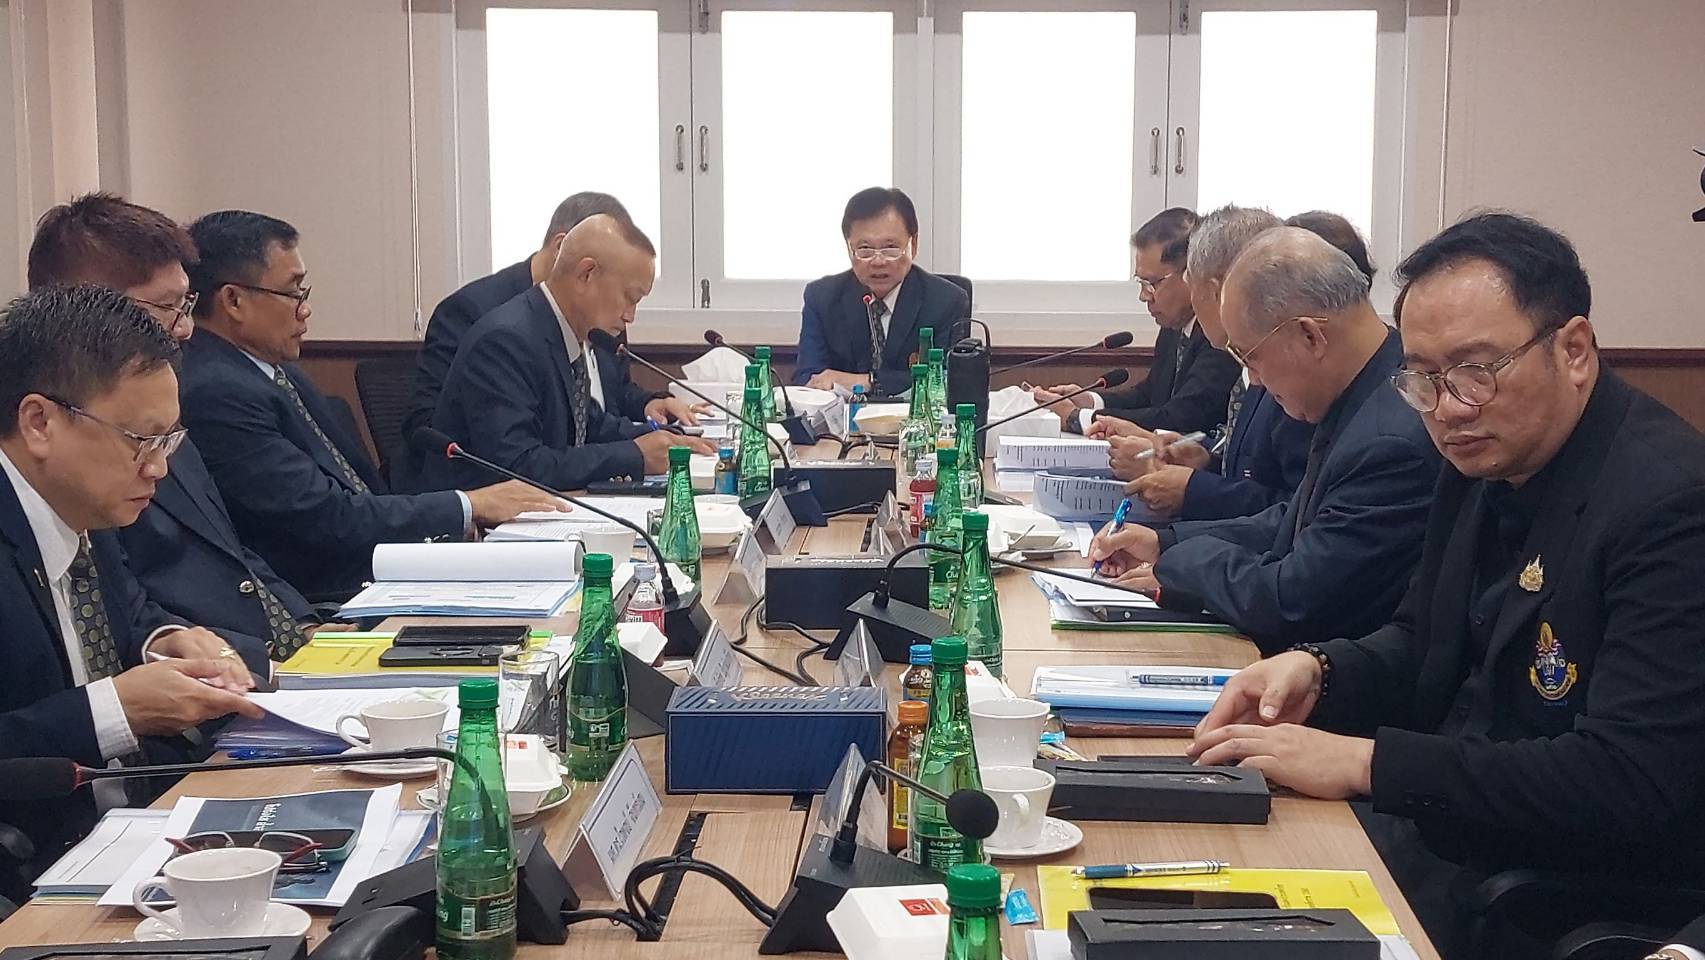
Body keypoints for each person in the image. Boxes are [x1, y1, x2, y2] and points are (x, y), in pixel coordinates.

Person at [1190, 214, 1705, 958]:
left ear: (1573, 350)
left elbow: (1621, 777)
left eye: (1476, 370)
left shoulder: (1668, 505)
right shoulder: (1480, 461)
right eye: (1422, 378)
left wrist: (1366, 763)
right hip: (1442, 829)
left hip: (1547, 885)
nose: (1447, 407)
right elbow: (1421, 641)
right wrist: (1319, 669)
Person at [0, 285, 267, 885]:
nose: (158, 467)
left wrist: (163, 641)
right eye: (140, 440)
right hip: (34, 866)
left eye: (168, 440)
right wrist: (114, 710)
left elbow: (116, 615)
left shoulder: (87, 503)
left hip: (138, 827)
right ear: (39, 422)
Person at [179, 211, 564, 601]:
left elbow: (364, 496)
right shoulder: (217, 392)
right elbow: (326, 518)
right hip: (329, 595)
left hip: (379, 568)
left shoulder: (274, 371)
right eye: (293, 292)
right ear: (234, 300)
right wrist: (469, 504)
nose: (305, 309)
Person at [1088, 227, 1438, 654]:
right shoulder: (1362, 390)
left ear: (1310, 336)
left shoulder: (1391, 440)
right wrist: (1166, 542)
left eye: (1250, 356)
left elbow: (1292, 600)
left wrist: (1180, 561)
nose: (1253, 380)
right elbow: (1296, 521)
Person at [27, 193, 321, 659]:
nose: (185, 327)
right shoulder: (71, 439)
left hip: (248, 658)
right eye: (168, 306)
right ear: (84, 306)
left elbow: (229, 552)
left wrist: (305, 628)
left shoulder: (163, 404)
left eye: (186, 303)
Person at [398, 192, 700, 490]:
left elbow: (587, 423)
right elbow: (519, 465)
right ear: (587, 274)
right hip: (481, 517)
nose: (630, 316)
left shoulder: (554, 328)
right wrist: (633, 455)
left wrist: (664, 438)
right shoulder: (505, 341)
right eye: (630, 297)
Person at [1096, 205, 1312, 520]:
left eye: (1189, 281)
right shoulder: (1251, 355)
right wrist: (1206, 459)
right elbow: (1251, 474)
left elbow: (1294, 513)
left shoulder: (1293, 371)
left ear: (1214, 291)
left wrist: (1191, 492)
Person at [1033, 208, 1239, 435]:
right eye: (1141, 283)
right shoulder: (1174, 326)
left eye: (1152, 283)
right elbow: (1150, 395)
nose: (1143, 296)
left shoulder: (1219, 333)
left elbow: (1182, 418)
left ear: (1191, 274)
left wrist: (1078, 418)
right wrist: (1090, 401)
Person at [793, 187, 970, 394]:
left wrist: (869, 382)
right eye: (865, 249)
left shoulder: (946, 301)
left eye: (890, 248)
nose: (878, 261)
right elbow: (807, 377)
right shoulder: (821, 297)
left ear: (913, 245)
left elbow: (947, 379)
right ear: (849, 248)